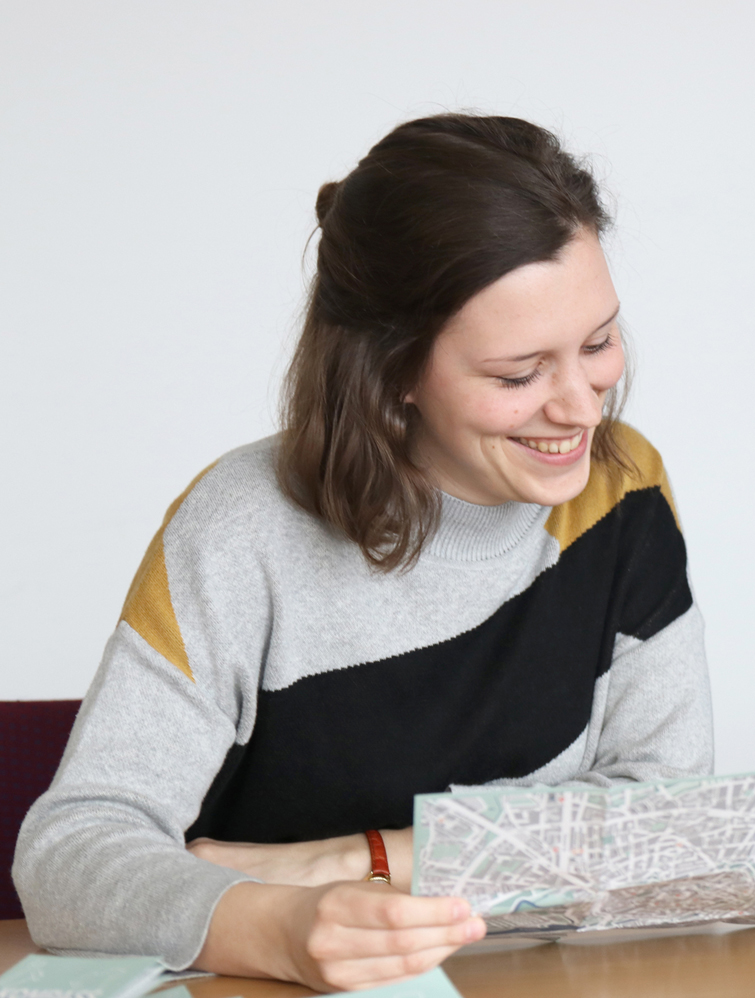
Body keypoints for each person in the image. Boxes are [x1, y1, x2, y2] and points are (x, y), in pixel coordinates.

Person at [15, 115, 712, 989]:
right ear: (392, 374)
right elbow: (69, 854)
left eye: (599, 343)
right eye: (518, 374)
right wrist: (274, 926)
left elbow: (664, 828)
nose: (581, 408)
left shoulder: (622, 490)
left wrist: (357, 862)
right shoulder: (240, 527)